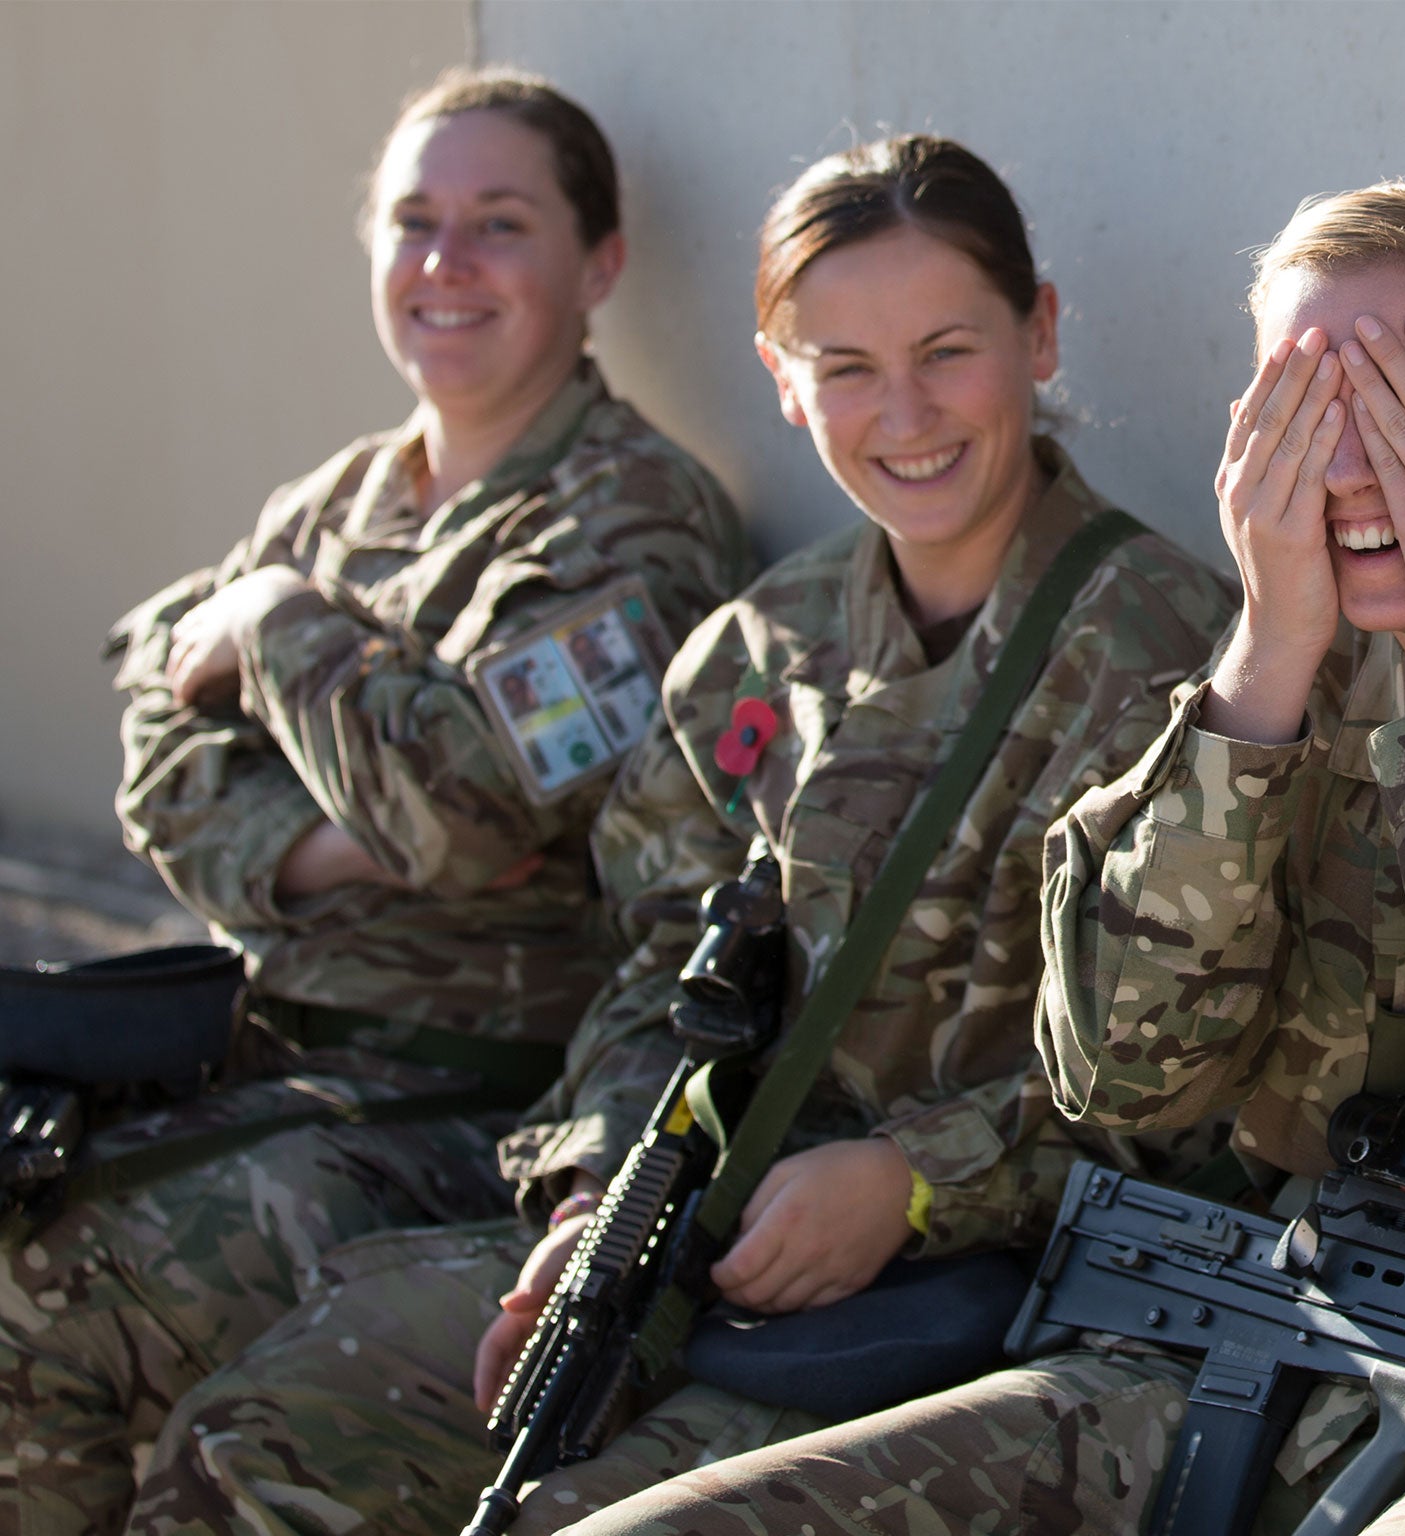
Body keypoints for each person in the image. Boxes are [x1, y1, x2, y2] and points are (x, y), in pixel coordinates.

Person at [552, 181, 1405, 1536]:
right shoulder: (1281, 680)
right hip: (1269, 1351)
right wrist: (1259, 676)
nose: (1351, 474)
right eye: (1302, 422)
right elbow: (1120, 1074)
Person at [120, 134, 1238, 1536]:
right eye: (842, 367)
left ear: (1042, 333)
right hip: (705, 1237)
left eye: (947, 349)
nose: (905, 411)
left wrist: (911, 1184)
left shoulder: (1167, 651)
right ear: (782, 381)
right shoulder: (753, 651)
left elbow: (1191, 1073)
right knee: (255, 1438)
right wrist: (599, 1192)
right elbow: (658, 959)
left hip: (981, 1282)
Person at [0, 67, 753, 1536]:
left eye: (499, 223)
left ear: (597, 265)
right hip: (265, 1065)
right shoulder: (334, 504)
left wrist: (280, 629)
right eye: (413, 221)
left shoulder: (630, 518)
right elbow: (165, 768)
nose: (445, 263)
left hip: (473, 1106)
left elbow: (469, 814)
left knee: (56, 1279)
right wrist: (333, 837)